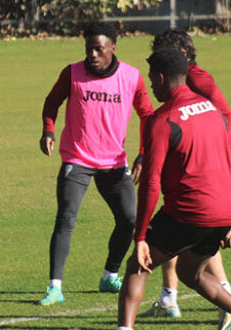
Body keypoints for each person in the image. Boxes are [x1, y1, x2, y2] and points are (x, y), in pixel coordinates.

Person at [91, 48, 231, 330]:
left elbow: (151, 184)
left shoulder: (161, 120)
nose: (151, 86)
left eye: (152, 78)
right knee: (189, 272)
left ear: (162, 78)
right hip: (222, 211)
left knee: (136, 267)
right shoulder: (212, 110)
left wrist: (140, 238)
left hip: (191, 212)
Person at [138, 29, 231, 330]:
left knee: (188, 224)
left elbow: (222, 115)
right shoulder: (185, 82)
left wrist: (219, 147)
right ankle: (170, 297)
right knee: (177, 226)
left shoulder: (197, 79)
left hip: (206, 151)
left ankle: (226, 293)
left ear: (180, 57)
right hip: (189, 146)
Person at [37, 23, 154, 305]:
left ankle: (109, 276)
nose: (92, 54)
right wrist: (48, 130)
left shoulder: (131, 77)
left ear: (112, 47)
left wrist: (143, 152)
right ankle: (55, 287)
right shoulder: (72, 73)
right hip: (77, 159)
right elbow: (52, 102)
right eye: (88, 48)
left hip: (114, 163)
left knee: (128, 220)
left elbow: (148, 115)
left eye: (98, 49)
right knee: (66, 219)